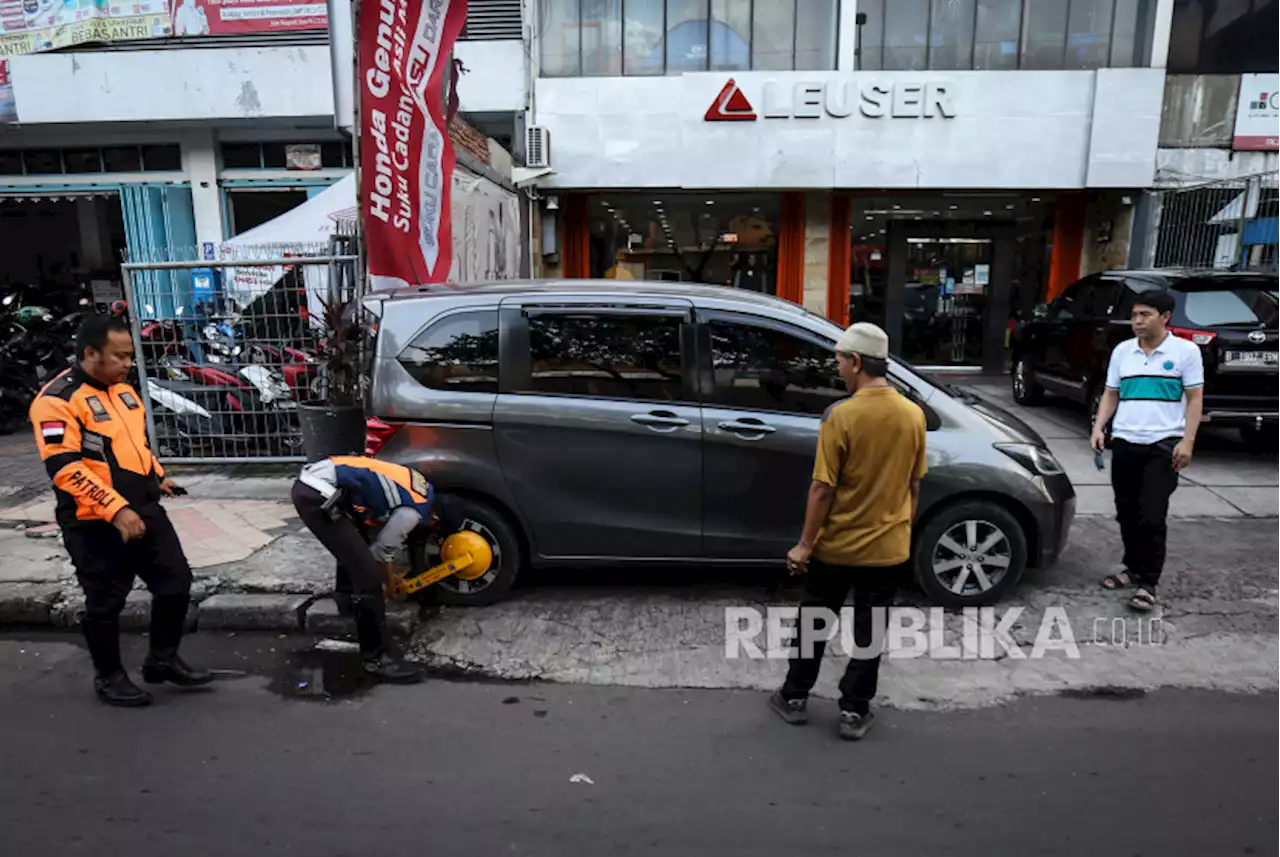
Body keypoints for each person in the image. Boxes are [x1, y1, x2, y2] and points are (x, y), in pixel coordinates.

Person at [30, 315, 211, 708]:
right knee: (105, 602)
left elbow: (132, 443)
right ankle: (109, 676)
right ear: (90, 354)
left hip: (144, 508)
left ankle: (161, 659)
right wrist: (116, 509)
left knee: (176, 583)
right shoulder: (56, 401)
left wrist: (156, 475)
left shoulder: (122, 389)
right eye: (120, 356)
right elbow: (65, 468)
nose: (128, 364)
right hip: (94, 521)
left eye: (130, 356)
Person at [769, 322, 928, 741]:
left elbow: (822, 488)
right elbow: (914, 485)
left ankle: (794, 697)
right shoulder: (913, 416)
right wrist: (899, 531)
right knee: (869, 632)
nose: (837, 367)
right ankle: (855, 711)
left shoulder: (841, 415)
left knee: (815, 623)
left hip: (837, 549)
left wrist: (805, 545)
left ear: (856, 362)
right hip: (887, 550)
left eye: (839, 360)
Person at [291, 455, 464, 684]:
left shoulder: (422, 488)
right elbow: (381, 551)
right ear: (435, 518)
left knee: (354, 545)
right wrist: (388, 585)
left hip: (315, 481)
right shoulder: (412, 513)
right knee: (368, 576)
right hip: (317, 493)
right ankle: (377, 658)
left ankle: (346, 601)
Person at [1092, 288, 1203, 612]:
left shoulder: (1185, 352)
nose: (1137, 321)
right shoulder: (1123, 352)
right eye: (1134, 315)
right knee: (1126, 510)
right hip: (1126, 440)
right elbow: (1112, 393)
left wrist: (1188, 441)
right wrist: (1100, 426)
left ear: (1165, 317)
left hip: (1164, 443)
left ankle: (1148, 583)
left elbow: (1195, 398)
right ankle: (1132, 568)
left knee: (1152, 515)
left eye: (1145, 315)